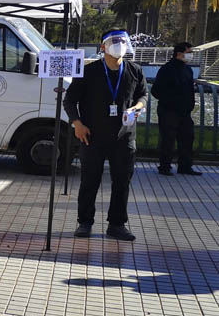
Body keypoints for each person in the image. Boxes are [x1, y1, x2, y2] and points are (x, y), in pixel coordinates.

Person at [63, 28, 147, 241]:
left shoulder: (135, 70)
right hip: (92, 136)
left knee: (122, 181)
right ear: (103, 47)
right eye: (114, 41)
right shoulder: (88, 71)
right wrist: (77, 123)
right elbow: (69, 100)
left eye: (123, 41)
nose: (119, 44)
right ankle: (85, 222)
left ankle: (117, 225)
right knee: (89, 180)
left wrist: (137, 107)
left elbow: (143, 96)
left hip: (124, 137)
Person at [152, 42, 201, 176]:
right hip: (169, 111)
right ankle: (165, 167)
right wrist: (170, 101)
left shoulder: (188, 70)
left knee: (187, 138)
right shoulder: (167, 69)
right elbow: (156, 91)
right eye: (188, 52)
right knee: (168, 139)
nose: (190, 55)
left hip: (185, 111)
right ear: (179, 53)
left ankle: (185, 166)